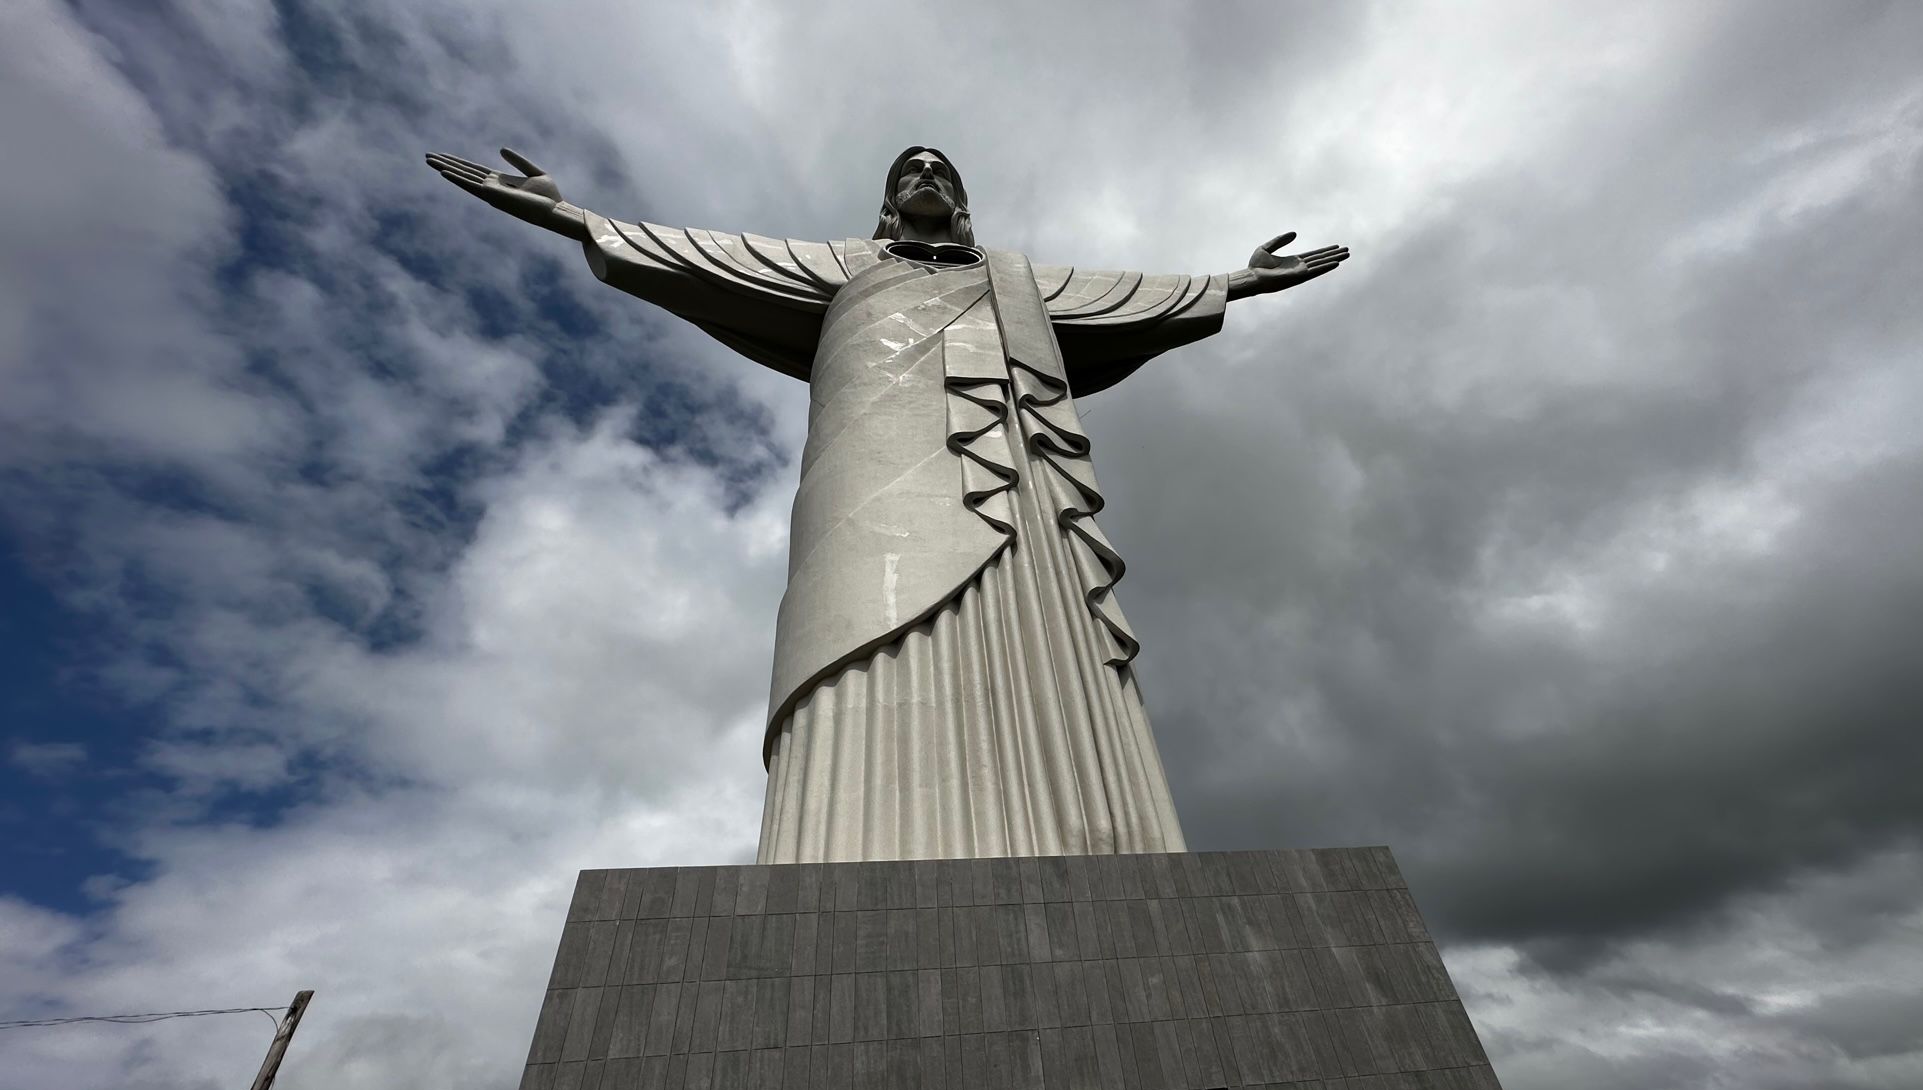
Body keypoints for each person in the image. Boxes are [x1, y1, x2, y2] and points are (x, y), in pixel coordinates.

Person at [427, 144, 1348, 862]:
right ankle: (846, 843)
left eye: (939, 166)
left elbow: (1122, 296)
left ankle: (1091, 827)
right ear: (884, 197)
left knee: (1044, 621)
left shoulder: (1019, 277)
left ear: (961, 195)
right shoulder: (843, 267)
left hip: (1017, 481)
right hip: (868, 480)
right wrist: (574, 218)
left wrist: (1236, 281)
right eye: (908, 166)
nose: (923, 173)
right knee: (860, 618)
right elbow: (713, 257)